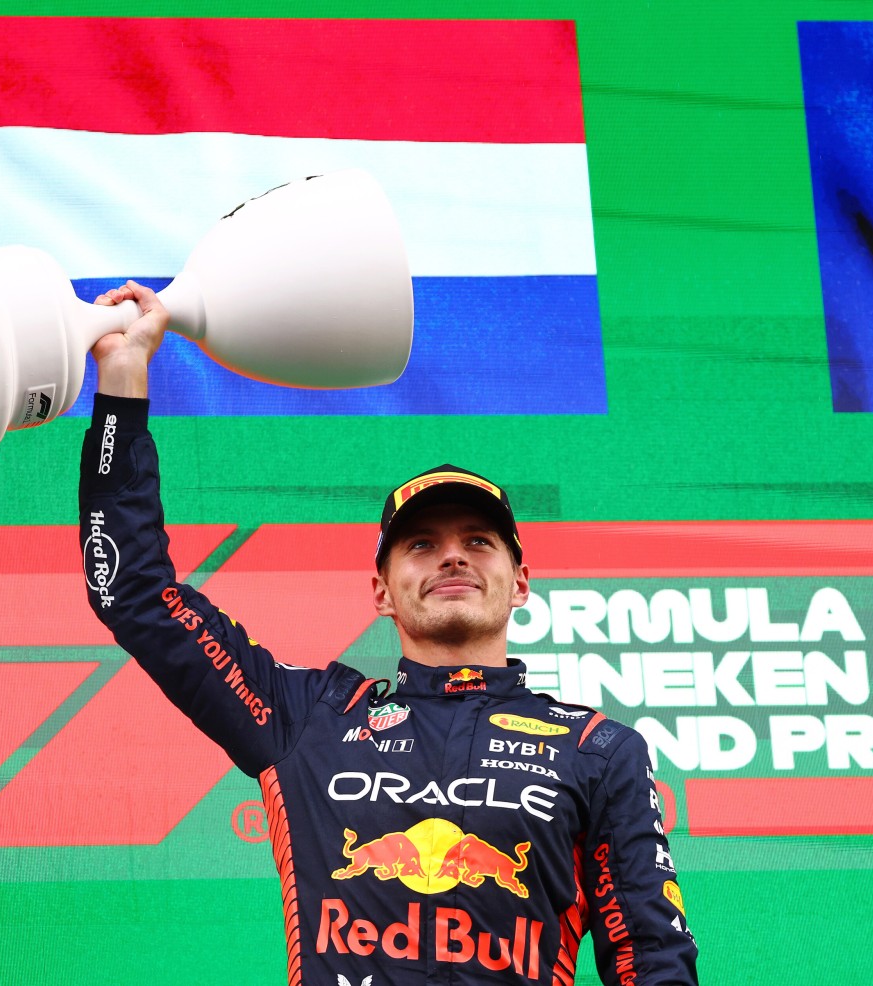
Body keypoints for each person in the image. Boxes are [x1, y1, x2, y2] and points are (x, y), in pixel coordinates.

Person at [80, 281, 699, 986]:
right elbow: (130, 590)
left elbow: (651, 959)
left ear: (520, 582)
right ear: (381, 591)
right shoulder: (306, 718)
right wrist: (124, 379)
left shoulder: (600, 751)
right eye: (421, 546)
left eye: (478, 541)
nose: (453, 556)